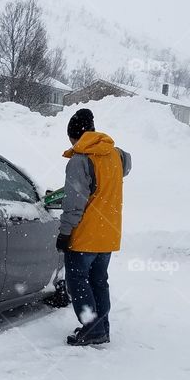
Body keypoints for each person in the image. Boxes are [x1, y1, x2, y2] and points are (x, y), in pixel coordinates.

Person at [56, 109, 131, 346]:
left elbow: (74, 203)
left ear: (75, 136)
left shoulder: (80, 160)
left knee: (77, 281)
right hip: (108, 234)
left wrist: (65, 232)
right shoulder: (117, 156)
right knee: (99, 281)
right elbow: (118, 173)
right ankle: (102, 328)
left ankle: (92, 328)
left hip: (85, 236)